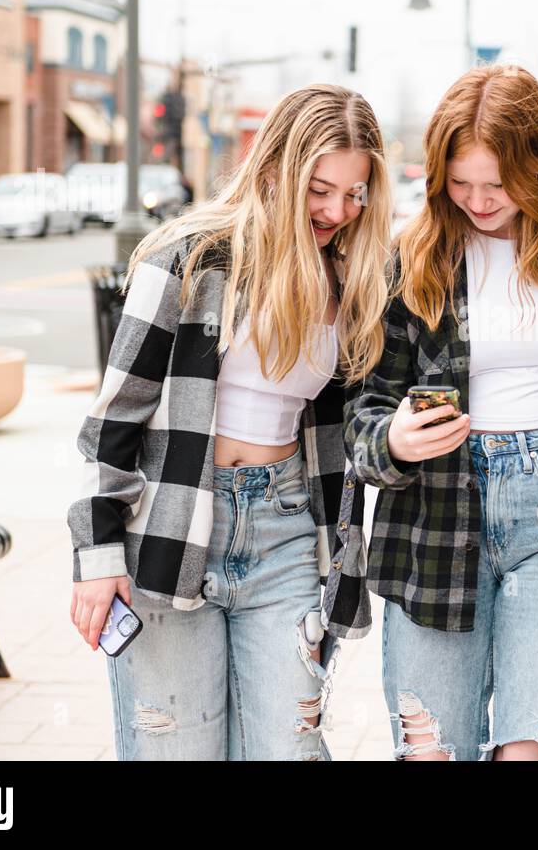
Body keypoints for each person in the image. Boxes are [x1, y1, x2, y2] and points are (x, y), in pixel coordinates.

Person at [68, 84, 392, 760]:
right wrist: (97, 554)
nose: (337, 210)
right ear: (274, 168)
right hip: (171, 525)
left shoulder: (349, 276)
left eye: (355, 194)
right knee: (177, 748)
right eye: (320, 189)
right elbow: (115, 420)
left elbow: (338, 434)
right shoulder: (186, 259)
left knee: (290, 746)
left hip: (284, 528)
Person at [345, 64, 538, 760]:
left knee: (531, 747)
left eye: (498, 183)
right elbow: (360, 402)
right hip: (437, 509)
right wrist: (390, 438)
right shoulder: (415, 255)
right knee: (433, 746)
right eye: (460, 182)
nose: (479, 201)